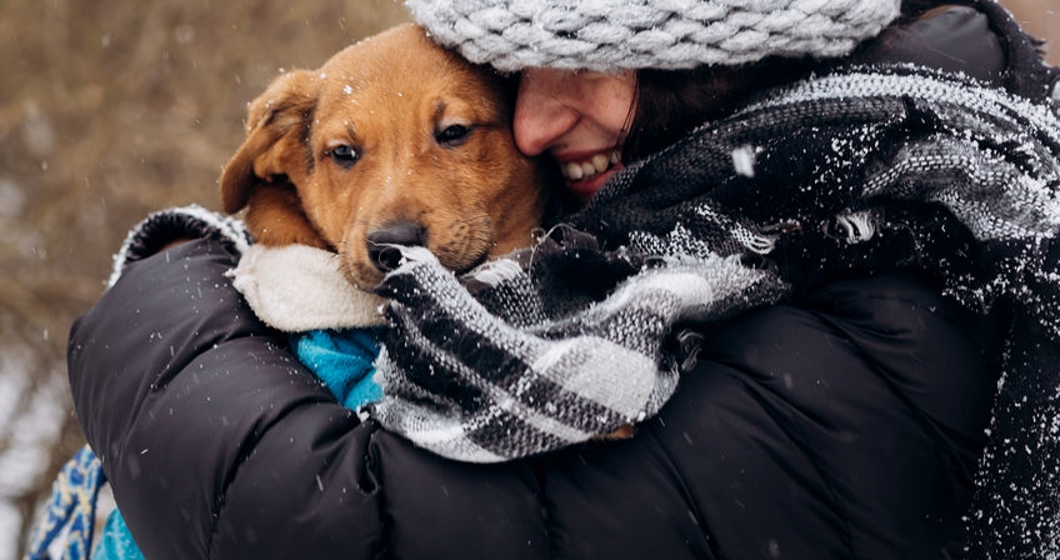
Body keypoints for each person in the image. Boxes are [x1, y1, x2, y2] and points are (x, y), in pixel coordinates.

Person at [61, 0, 1060, 559]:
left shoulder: (901, 266)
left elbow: (335, 528)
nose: (536, 129)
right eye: (519, 80)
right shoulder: (741, 207)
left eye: (587, 67)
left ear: (713, 69)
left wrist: (153, 308)